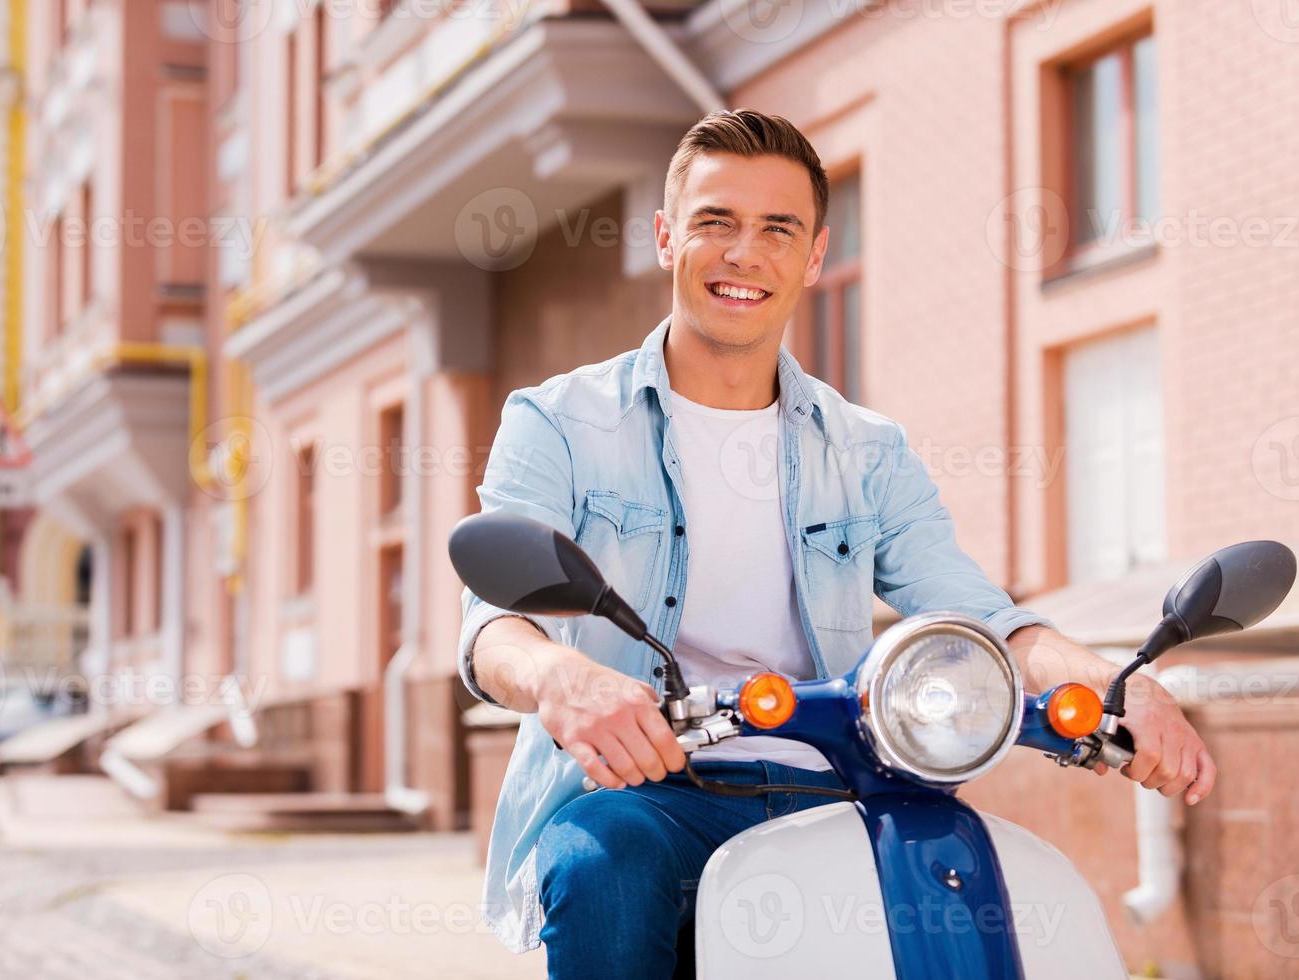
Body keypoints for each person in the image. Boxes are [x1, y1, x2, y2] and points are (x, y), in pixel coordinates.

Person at [456, 108, 1214, 979]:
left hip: (844, 784)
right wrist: (565, 679)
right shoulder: (558, 420)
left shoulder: (865, 448)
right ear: (667, 238)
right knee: (601, 866)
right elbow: (494, 626)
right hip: (650, 790)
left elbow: (980, 613)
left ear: (813, 256)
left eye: (777, 229)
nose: (745, 253)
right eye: (715, 223)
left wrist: (1125, 684)